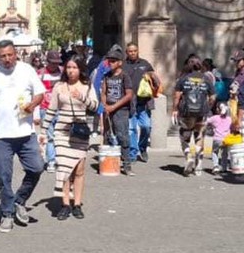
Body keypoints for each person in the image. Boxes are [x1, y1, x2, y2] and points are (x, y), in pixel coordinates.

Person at [0, 39, 46, 233]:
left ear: (16, 54)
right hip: (0, 135)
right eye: (2, 56)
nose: (7, 59)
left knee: (37, 168)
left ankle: (19, 200)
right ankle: (7, 214)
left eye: (10, 55)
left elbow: (40, 93)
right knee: (4, 177)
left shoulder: (27, 70)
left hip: (25, 133)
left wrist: (33, 104)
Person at [47, 55, 98, 220]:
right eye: (68, 67)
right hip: (62, 132)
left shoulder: (87, 86)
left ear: (81, 69)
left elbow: (95, 106)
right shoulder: (59, 86)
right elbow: (51, 110)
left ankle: (77, 204)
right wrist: (42, 131)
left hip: (80, 132)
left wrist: (81, 97)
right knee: (63, 169)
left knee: (79, 169)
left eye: (74, 67)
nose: (71, 71)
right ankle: (65, 204)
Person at [172, 56, 214, 176]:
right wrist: (208, 107)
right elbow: (212, 97)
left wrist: (175, 109)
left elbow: (177, 96)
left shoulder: (183, 79)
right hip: (202, 113)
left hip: (186, 113)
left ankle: (189, 156)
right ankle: (199, 166)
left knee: (184, 136)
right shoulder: (206, 79)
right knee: (199, 137)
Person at [122, 43, 160, 163]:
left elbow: (156, 81)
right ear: (126, 52)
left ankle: (142, 148)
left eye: (135, 51)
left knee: (146, 127)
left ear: (138, 51)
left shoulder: (145, 64)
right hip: (130, 103)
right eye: (130, 51)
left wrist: (151, 76)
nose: (133, 53)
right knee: (132, 129)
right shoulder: (123, 65)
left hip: (143, 103)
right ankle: (133, 153)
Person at [101, 45, 135, 176]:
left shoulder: (124, 76)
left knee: (123, 136)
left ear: (120, 62)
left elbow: (129, 95)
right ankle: (110, 162)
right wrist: (104, 105)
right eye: (109, 61)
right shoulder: (107, 75)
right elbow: (104, 92)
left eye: (113, 61)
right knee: (108, 135)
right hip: (108, 109)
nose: (110, 63)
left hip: (121, 110)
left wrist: (114, 107)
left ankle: (127, 165)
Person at [38, 52, 63, 168]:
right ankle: (51, 161)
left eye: (57, 63)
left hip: (61, 108)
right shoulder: (41, 73)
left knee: (61, 135)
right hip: (46, 108)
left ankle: (60, 159)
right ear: (47, 62)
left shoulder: (62, 72)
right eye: (53, 63)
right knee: (49, 135)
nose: (55, 65)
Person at [205, 103, 232, 174]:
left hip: (217, 138)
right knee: (225, 154)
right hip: (226, 139)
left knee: (214, 152)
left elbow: (206, 121)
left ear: (218, 110)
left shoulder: (215, 118)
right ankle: (224, 168)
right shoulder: (229, 119)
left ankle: (216, 166)